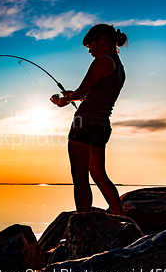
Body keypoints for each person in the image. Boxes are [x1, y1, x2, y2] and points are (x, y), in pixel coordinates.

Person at [50, 24, 127, 216]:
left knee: (80, 178)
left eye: (90, 46)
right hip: (102, 127)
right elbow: (92, 94)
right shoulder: (120, 68)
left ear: (102, 40)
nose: (90, 51)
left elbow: (81, 92)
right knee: (100, 175)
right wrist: (73, 96)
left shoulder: (102, 62)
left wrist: (63, 100)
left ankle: (84, 225)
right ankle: (123, 220)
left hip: (84, 126)